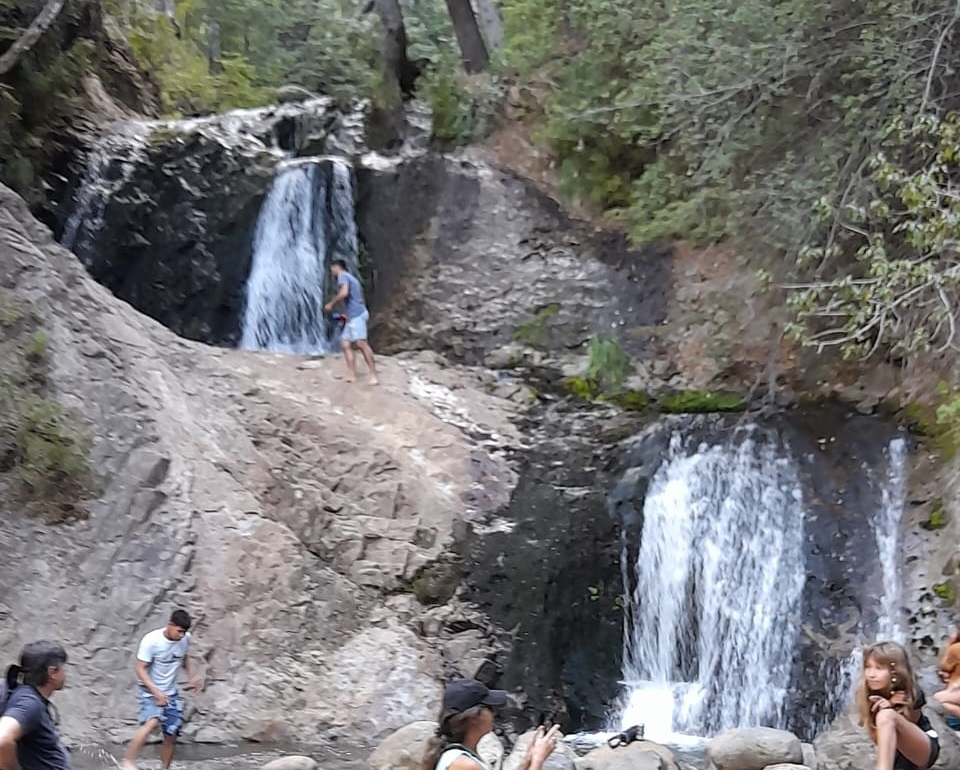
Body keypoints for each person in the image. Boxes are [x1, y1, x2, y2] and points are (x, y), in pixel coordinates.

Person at [122, 609, 202, 770]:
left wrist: (191, 676)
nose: (181, 635)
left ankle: (164, 768)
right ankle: (127, 762)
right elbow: (140, 668)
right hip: (149, 690)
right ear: (170, 625)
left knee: (172, 733)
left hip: (170, 692)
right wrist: (155, 691)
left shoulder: (185, 639)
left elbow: (184, 656)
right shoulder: (151, 641)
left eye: (184, 632)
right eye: (179, 631)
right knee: (152, 721)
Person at [421, 679, 560, 770]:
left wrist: (528, 758)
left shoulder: (460, 756)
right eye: (490, 708)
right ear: (474, 717)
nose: (494, 714)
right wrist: (538, 760)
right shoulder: (464, 764)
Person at [856, 641, 939, 770]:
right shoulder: (866, 694)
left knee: (886, 715)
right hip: (896, 756)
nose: (871, 674)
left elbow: (909, 727)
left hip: (922, 747)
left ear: (895, 671)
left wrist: (890, 708)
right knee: (885, 715)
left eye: (879, 668)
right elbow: (877, 740)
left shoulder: (911, 692)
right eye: (868, 667)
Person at [0, 641, 70, 770]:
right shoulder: (29, 703)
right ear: (52, 672)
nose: (66, 672)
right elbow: (3, 739)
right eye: (63, 667)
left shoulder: (26, 695)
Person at [323, 259, 379, 386]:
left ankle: (373, 375)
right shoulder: (352, 278)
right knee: (345, 343)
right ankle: (351, 375)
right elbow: (356, 298)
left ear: (337, 267)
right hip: (353, 316)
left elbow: (344, 293)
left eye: (332, 269)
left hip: (357, 316)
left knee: (361, 344)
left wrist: (331, 304)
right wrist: (346, 315)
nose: (331, 272)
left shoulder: (343, 276)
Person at [935, 627, 960, 730]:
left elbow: (944, 666)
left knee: (935, 700)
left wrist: (951, 643)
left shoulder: (956, 648)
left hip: (956, 691)